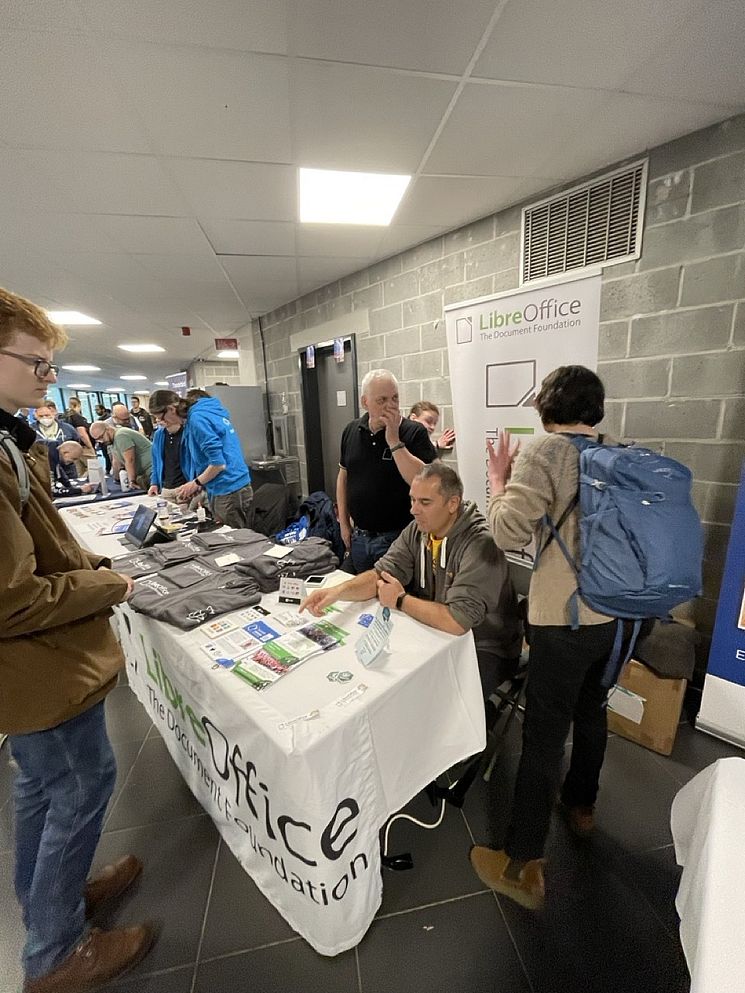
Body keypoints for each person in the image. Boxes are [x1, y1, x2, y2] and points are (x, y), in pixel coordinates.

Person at [0, 286, 154, 992]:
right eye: (38, 364)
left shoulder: (11, 442)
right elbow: (13, 598)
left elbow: (44, 546)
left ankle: (48, 904)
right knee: (81, 785)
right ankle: (57, 952)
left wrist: (92, 566)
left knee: (40, 789)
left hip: (36, 672)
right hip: (40, 669)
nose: (47, 378)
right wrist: (109, 587)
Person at [469, 365, 637, 912]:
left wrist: (498, 479)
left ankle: (522, 864)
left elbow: (505, 530)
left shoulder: (546, 453)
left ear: (547, 407)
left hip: (561, 621)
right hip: (613, 619)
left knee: (542, 737)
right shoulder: (617, 451)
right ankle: (582, 807)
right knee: (591, 713)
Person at [302, 461, 522, 696]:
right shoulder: (419, 530)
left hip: (486, 646)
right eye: (412, 500)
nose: (414, 509)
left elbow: (457, 621)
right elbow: (380, 575)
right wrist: (337, 592)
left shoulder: (480, 544)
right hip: (438, 635)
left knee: (429, 695)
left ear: (453, 503)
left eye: (424, 502)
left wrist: (400, 600)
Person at [337, 369, 435, 573]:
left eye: (395, 398)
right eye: (382, 400)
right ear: (365, 402)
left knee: (391, 597)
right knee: (363, 599)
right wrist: (344, 524)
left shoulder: (414, 432)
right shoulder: (351, 430)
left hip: (397, 538)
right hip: (360, 536)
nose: (390, 406)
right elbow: (343, 478)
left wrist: (394, 441)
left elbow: (424, 482)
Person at [148, 388, 254, 527]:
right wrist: (202, 484)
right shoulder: (203, 414)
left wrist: (195, 483)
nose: (160, 422)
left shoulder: (197, 419)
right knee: (240, 534)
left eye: (161, 417)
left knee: (235, 539)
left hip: (227, 487)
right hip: (233, 484)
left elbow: (218, 464)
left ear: (171, 409)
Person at [89, 419, 153, 490]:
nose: (101, 441)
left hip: (151, 471)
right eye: (98, 440)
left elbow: (130, 460)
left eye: (101, 437)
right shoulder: (112, 441)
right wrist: (116, 480)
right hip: (145, 473)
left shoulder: (121, 435)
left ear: (108, 429)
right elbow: (116, 462)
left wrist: (132, 481)